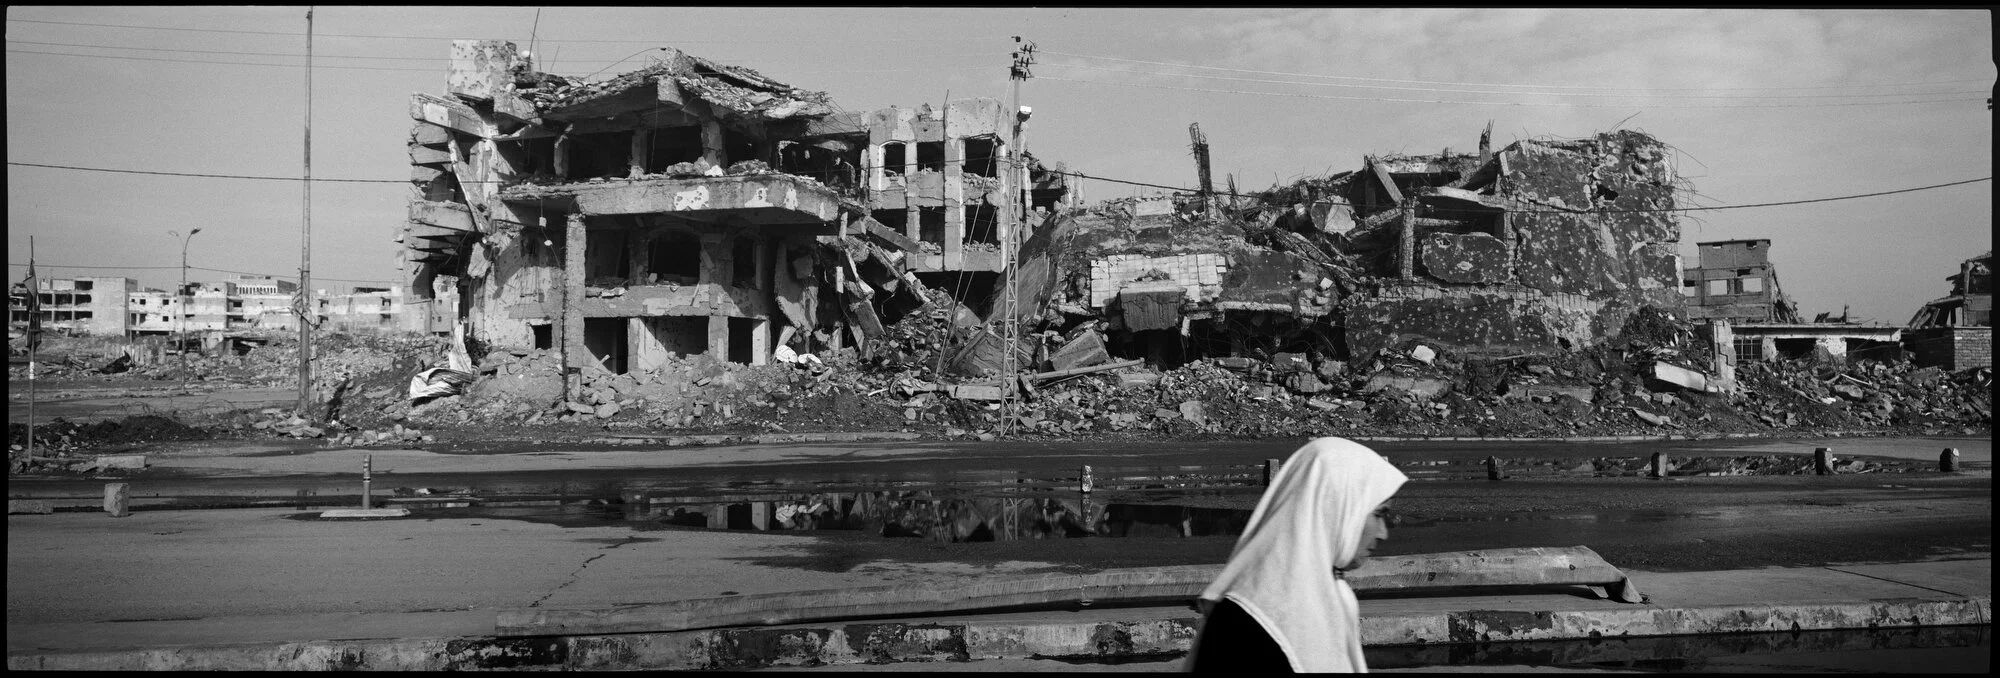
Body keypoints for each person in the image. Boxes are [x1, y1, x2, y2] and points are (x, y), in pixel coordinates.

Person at [1186, 437, 1408, 673]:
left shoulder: (1334, 595)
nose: (1383, 533)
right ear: (1337, 508)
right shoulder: (1245, 622)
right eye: (1378, 514)